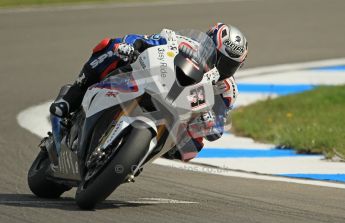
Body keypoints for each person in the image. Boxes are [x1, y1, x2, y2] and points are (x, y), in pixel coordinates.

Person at [49, 23, 248, 161]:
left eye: (230, 65)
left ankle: (135, 155)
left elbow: (217, 128)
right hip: (154, 80)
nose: (221, 66)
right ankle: (72, 96)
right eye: (216, 55)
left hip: (178, 114)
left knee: (193, 148)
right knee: (111, 46)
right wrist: (133, 46)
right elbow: (148, 40)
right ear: (207, 43)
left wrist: (210, 122)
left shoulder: (227, 90)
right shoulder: (185, 43)